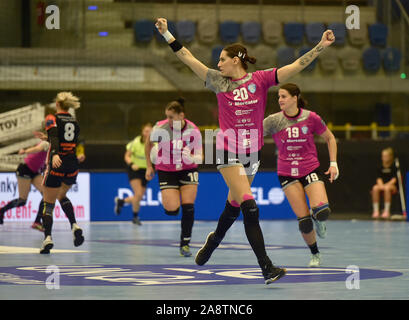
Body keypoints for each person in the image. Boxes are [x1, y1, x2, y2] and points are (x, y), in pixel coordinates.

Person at [154, 17, 335, 284]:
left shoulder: (261, 80)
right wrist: (167, 33)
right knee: (250, 206)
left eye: (222, 60)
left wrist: (321, 45)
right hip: (226, 149)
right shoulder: (217, 81)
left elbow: (296, 65)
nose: (217, 64)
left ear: (235, 60)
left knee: (235, 205)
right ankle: (267, 267)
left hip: (253, 152)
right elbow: (187, 57)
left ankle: (214, 240)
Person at [263, 83, 338, 267]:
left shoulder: (310, 117)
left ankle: (319, 219)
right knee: (304, 221)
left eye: (284, 96)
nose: (280, 100)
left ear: (295, 98)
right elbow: (253, 136)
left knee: (322, 212)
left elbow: (330, 137)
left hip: (309, 168)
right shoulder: (273, 121)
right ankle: (315, 254)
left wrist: (333, 163)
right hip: (287, 172)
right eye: (278, 97)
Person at [145, 98, 202, 257]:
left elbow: (200, 157)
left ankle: (185, 244)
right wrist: (149, 166)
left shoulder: (193, 130)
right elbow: (147, 144)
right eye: (167, 116)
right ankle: (173, 203)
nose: (168, 120)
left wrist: (192, 157)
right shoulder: (160, 127)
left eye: (171, 117)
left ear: (181, 115)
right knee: (172, 210)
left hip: (187, 169)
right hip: (166, 170)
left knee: (188, 207)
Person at [39, 92, 84, 254]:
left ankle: (47, 238)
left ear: (57, 104)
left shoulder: (51, 118)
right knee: (61, 196)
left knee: (48, 203)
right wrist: (47, 139)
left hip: (58, 163)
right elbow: (70, 140)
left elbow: (55, 137)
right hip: (72, 165)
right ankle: (74, 225)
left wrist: (55, 153)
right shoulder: (74, 121)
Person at [0, 139, 48, 230]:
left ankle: (37, 222)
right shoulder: (47, 143)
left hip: (35, 172)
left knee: (47, 194)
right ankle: (2, 210)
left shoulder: (54, 144)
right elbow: (37, 148)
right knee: (22, 201)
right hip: (25, 170)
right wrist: (25, 151)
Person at [115, 123, 153, 225]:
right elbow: (126, 156)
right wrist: (132, 164)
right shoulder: (135, 142)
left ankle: (121, 202)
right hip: (134, 170)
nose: (147, 133)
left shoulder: (155, 144)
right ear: (142, 132)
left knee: (139, 197)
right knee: (139, 194)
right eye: (146, 131)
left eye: (150, 131)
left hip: (146, 171)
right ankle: (135, 217)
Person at [371, 147, 398, 219]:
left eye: (386, 156)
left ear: (390, 157)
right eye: (383, 156)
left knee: (386, 188)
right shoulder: (380, 167)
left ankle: (386, 211)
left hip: (392, 186)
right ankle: (376, 211)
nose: (384, 157)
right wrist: (381, 185)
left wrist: (386, 185)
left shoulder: (394, 167)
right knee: (375, 188)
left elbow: (394, 179)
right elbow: (378, 179)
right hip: (382, 185)